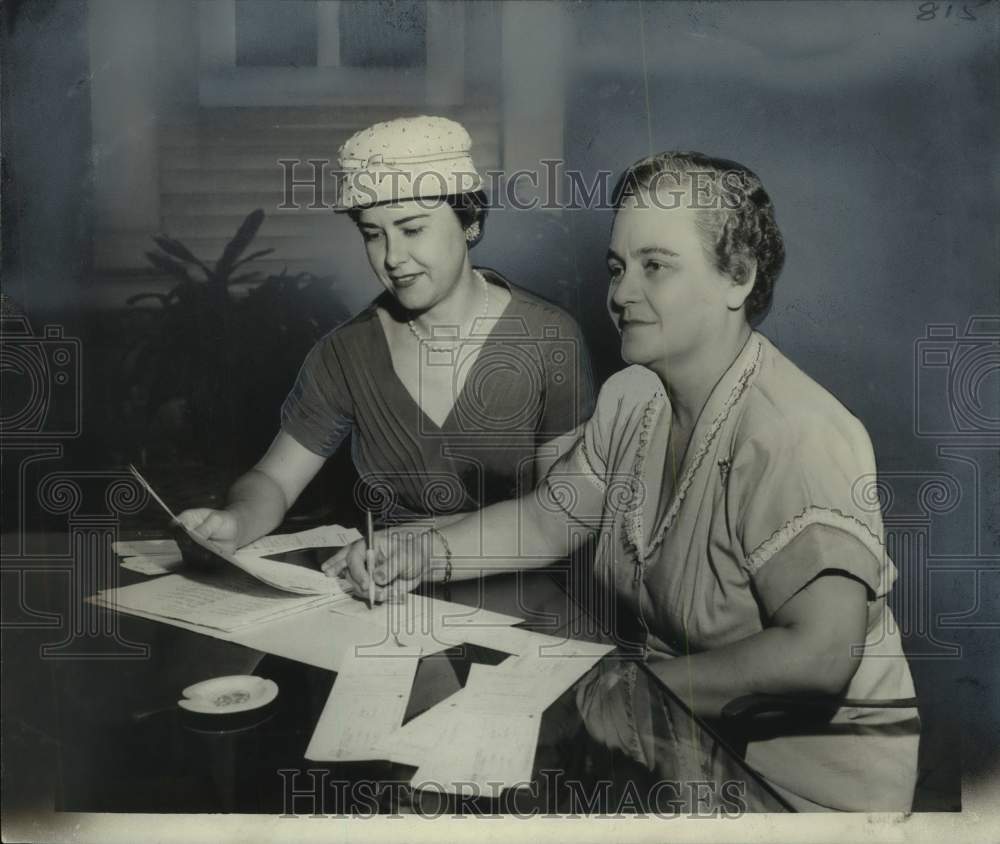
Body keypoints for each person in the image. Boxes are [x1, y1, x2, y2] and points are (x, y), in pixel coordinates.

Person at [328, 151, 920, 812]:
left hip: (809, 796)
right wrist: (422, 553)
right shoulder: (633, 398)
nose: (621, 293)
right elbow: (552, 518)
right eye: (617, 267)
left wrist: (635, 692)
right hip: (683, 747)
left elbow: (821, 653)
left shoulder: (795, 434)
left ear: (739, 278)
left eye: (655, 267)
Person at [176, 115, 594, 551]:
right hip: (381, 590)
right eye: (374, 235)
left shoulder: (548, 337)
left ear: (469, 221)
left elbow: (560, 514)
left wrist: (427, 551)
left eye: (413, 229)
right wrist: (235, 522)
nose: (393, 257)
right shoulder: (345, 353)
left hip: (518, 588)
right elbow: (275, 480)